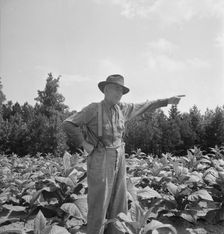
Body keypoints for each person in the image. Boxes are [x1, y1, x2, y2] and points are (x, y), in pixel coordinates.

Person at [62, 74, 184, 234]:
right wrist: (84, 144)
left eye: (121, 91)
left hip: (119, 156)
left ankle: (116, 231)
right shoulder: (93, 109)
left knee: (119, 200)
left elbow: (145, 105)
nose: (119, 94)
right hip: (100, 157)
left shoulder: (123, 109)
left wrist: (167, 101)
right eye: (116, 89)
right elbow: (68, 123)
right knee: (99, 202)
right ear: (106, 90)